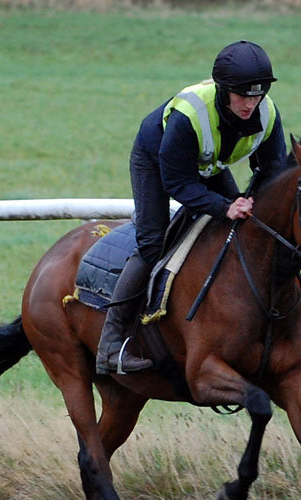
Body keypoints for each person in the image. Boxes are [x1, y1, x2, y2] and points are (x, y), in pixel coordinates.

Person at [96, 40, 288, 375]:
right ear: (224, 89)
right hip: (157, 161)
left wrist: (254, 203)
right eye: (243, 95)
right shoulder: (190, 115)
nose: (250, 103)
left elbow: (273, 171)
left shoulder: (267, 113)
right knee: (153, 243)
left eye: (257, 95)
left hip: (207, 163)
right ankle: (110, 346)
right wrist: (225, 205)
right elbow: (179, 185)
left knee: (242, 227)